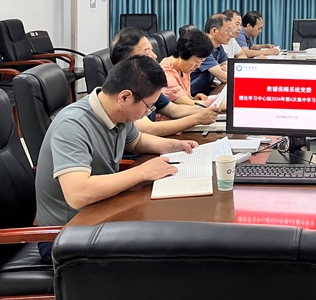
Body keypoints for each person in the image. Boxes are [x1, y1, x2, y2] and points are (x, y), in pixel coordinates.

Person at [35, 56, 198, 262]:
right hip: (65, 235)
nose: (147, 113)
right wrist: (142, 172)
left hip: (99, 213)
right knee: (162, 252)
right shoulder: (73, 125)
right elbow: (78, 194)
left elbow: (136, 142)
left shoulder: (114, 112)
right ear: (124, 97)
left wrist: (175, 146)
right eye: (148, 107)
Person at [110, 28, 219, 135]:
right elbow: (148, 128)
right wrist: (198, 118)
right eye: (147, 52)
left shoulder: (146, 80)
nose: (155, 56)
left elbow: (173, 110)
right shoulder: (124, 90)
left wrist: (206, 111)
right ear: (129, 59)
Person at [160, 29, 216, 105]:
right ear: (185, 53)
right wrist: (232, 104)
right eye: (197, 61)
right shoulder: (166, 73)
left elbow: (183, 100)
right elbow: (190, 104)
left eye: (201, 62)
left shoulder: (183, 68)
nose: (198, 66)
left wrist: (193, 98)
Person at [191, 14, 233, 96]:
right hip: (193, 95)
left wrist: (224, 68)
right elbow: (225, 77)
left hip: (205, 91)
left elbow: (228, 66)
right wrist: (223, 70)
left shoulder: (218, 46)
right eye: (228, 30)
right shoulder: (202, 47)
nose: (230, 34)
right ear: (214, 31)